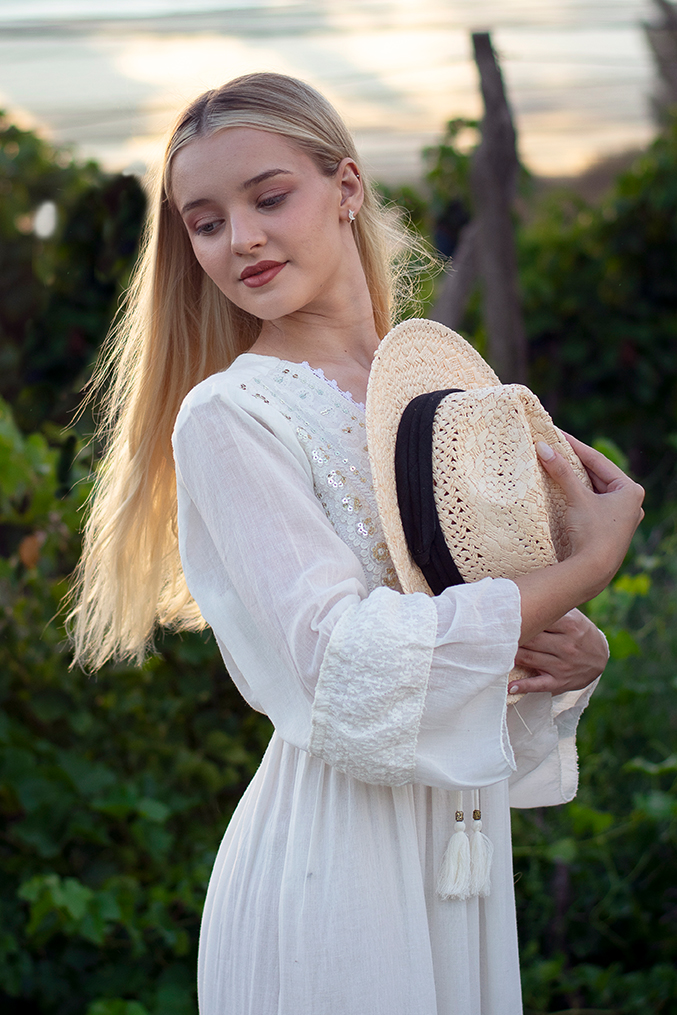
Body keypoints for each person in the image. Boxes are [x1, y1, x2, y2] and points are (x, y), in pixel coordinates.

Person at [70, 73, 644, 1015]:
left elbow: (475, 635)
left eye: (268, 198)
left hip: (458, 861)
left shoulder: (442, 398)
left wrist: (568, 654)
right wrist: (587, 567)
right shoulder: (232, 414)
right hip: (333, 865)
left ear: (345, 187)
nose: (240, 238)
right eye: (205, 222)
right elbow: (346, 663)